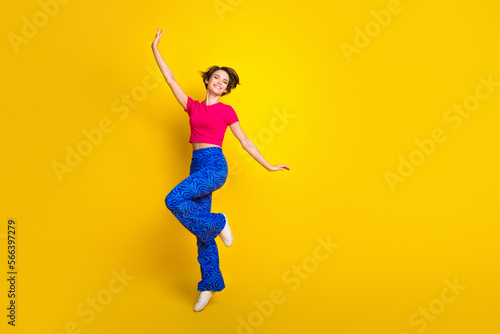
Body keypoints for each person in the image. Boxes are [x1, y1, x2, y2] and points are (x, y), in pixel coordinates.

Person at [151, 28, 290, 312]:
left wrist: (268, 165)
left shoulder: (227, 111)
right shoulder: (192, 107)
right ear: (207, 80)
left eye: (224, 82)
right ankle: (208, 284)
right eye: (216, 77)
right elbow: (170, 79)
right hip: (196, 165)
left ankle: (220, 221)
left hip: (214, 166)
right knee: (203, 235)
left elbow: (246, 141)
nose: (220, 83)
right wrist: (155, 47)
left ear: (226, 89)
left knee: (173, 200)